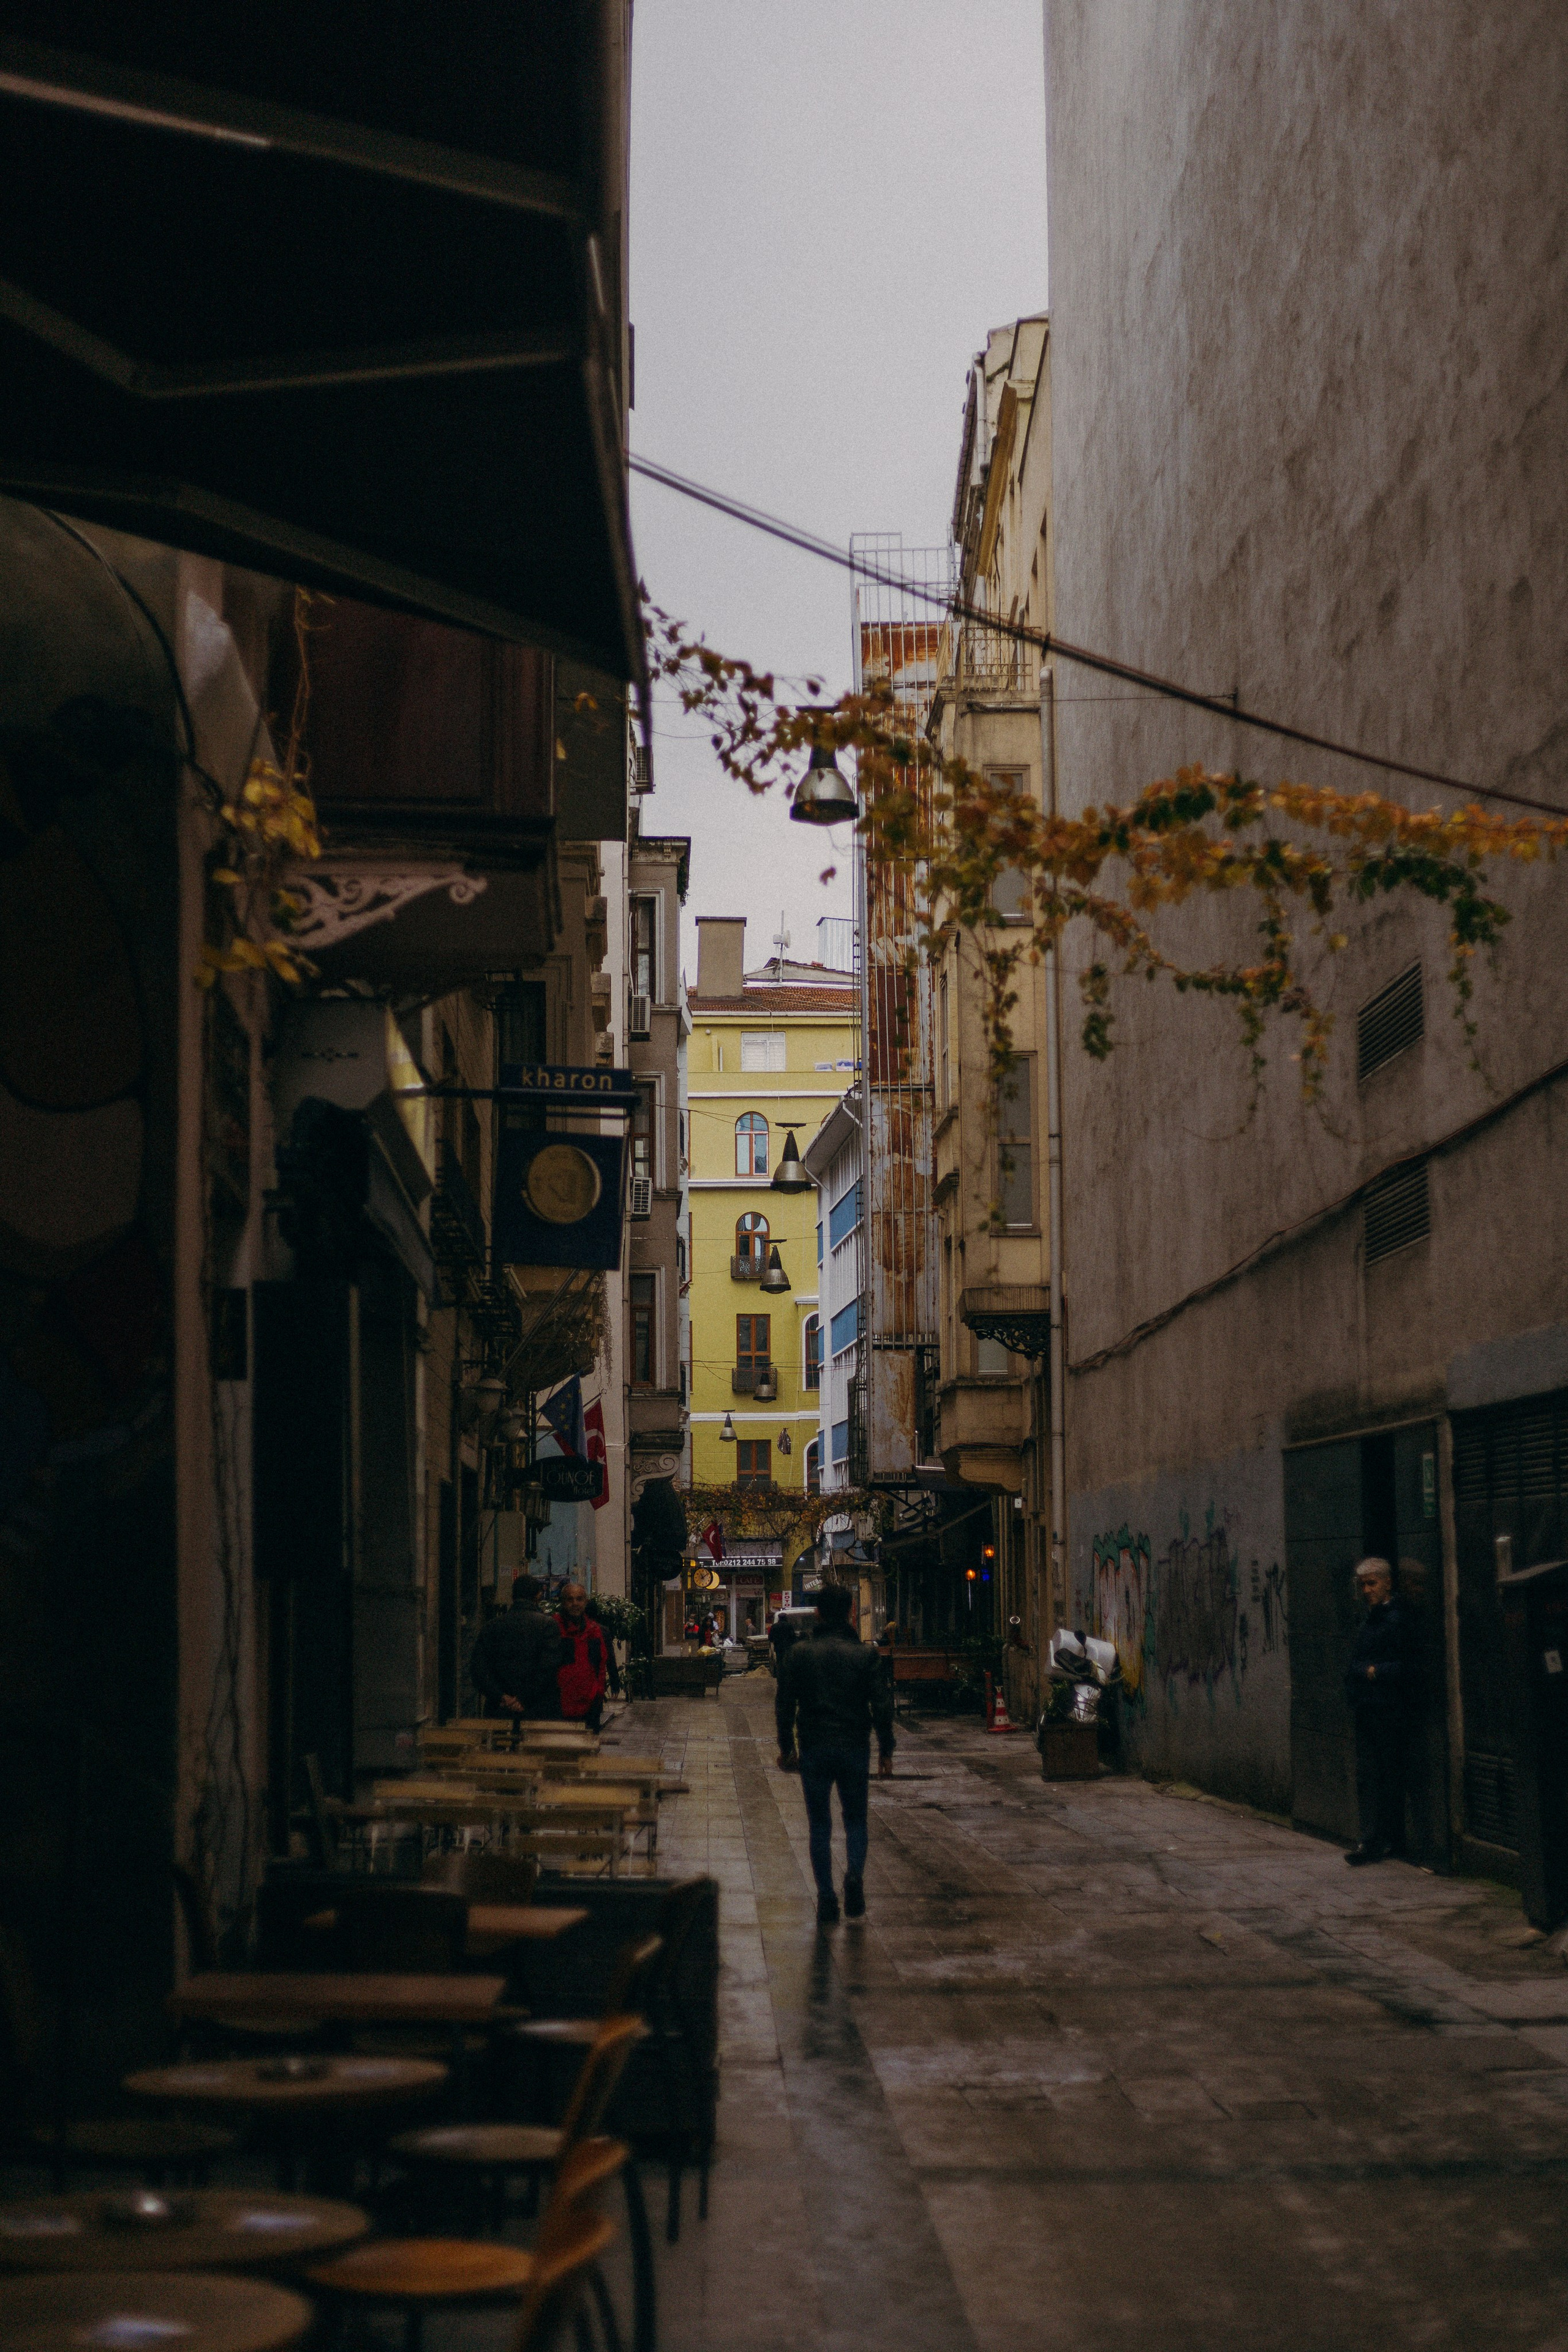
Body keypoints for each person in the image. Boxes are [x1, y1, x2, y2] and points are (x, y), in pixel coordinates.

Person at [776, 1582, 895, 1924]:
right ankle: (854, 1875)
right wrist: (886, 1748)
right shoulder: (865, 1655)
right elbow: (882, 1705)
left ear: (817, 1614)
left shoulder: (799, 1654)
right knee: (855, 1819)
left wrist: (787, 1748)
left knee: (819, 1825)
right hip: (854, 1745)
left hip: (814, 1746)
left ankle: (827, 1898)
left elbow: (784, 1704)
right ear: (851, 1613)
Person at [1344, 1555, 1415, 1864]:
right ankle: (1374, 1839)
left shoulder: (1397, 1619)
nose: (1367, 1591)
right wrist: (1367, 1671)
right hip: (1369, 1707)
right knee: (1370, 1776)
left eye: (1372, 1584)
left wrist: (1375, 1671)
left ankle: (1382, 1840)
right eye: (1363, 1585)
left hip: (1389, 1709)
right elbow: (1356, 1665)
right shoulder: (1370, 1619)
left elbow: (1408, 1665)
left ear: (1387, 1583)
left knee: (1386, 1775)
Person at [469, 1574, 569, 1722]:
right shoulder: (548, 1626)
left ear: (513, 1596)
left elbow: (479, 1669)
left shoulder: (491, 1627)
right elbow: (549, 1668)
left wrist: (501, 1697)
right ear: (538, 1595)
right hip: (539, 1710)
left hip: (499, 1711)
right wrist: (523, 1699)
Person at [554, 1581, 620, 1731]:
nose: (575, 1604)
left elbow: (603, 1661)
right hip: (560, 1706)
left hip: (590, 1705)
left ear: (585, 1602)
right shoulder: (553, 1629)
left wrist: (598, 1692)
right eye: (570, 1599)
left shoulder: (596, 1631)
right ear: (563, 1602)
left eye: (579, 1599)